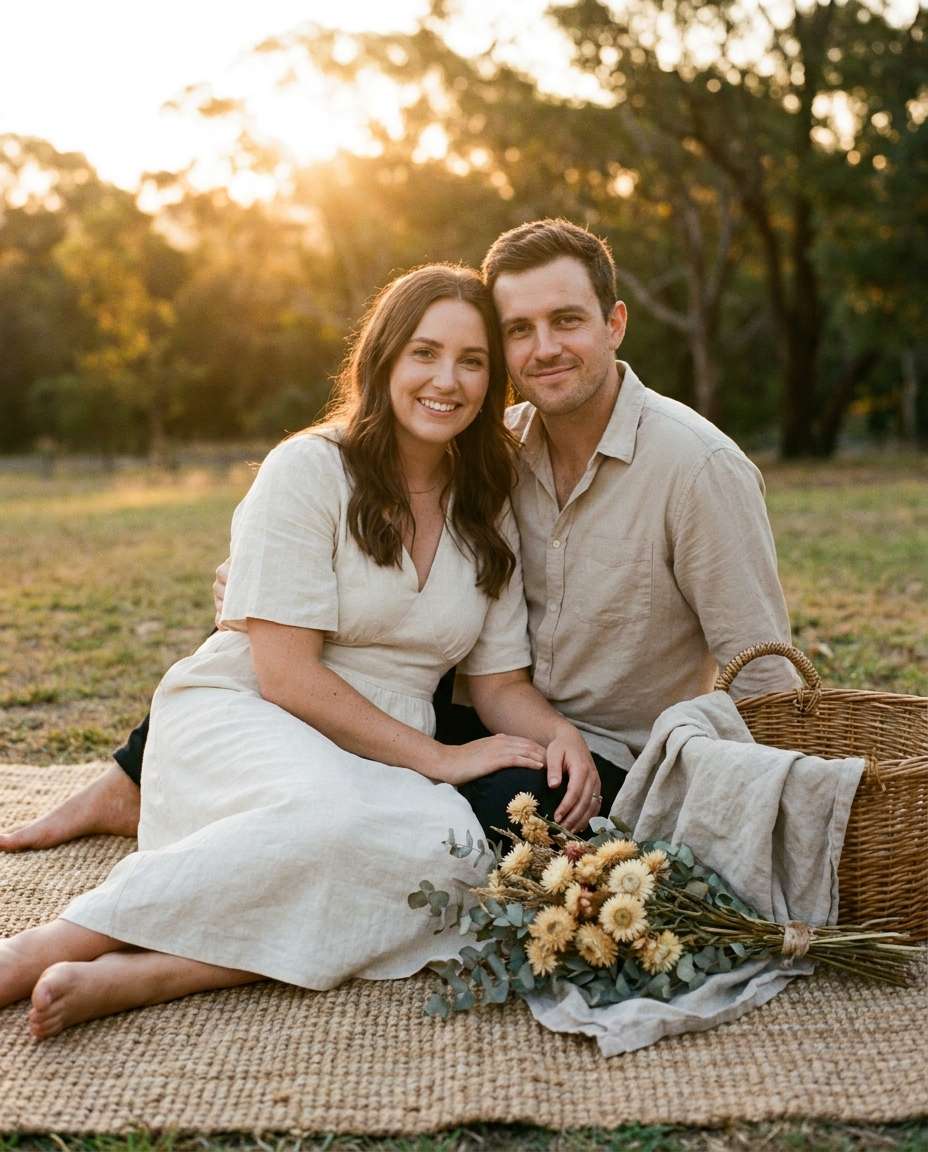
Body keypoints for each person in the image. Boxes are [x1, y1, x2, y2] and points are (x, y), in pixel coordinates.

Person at [2, 217, 795, 846]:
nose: (544, 348)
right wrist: (261, 580)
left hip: (600, 752)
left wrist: (775, 814)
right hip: (479, 705)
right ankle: (127, 790)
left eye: (567, 321)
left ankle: (274, 838)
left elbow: (765, 674)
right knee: (263, 661)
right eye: (520, 330)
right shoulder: (497, 450)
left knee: (500, 825)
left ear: (615, 323)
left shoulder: (698, 469)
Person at [0, 263, 611, 1040]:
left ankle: (160, 972)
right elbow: (285, 674)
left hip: (382, 747)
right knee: (325, 816)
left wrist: (559, 736)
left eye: (472, 361)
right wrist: (444, 760)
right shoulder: (310, 470)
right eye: (424, 353)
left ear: (493, 382)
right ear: (384, 359)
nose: (446, 380)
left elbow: (499, 685)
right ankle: (50, 943)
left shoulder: (486, 503)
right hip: (249, 707)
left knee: (450, 851)